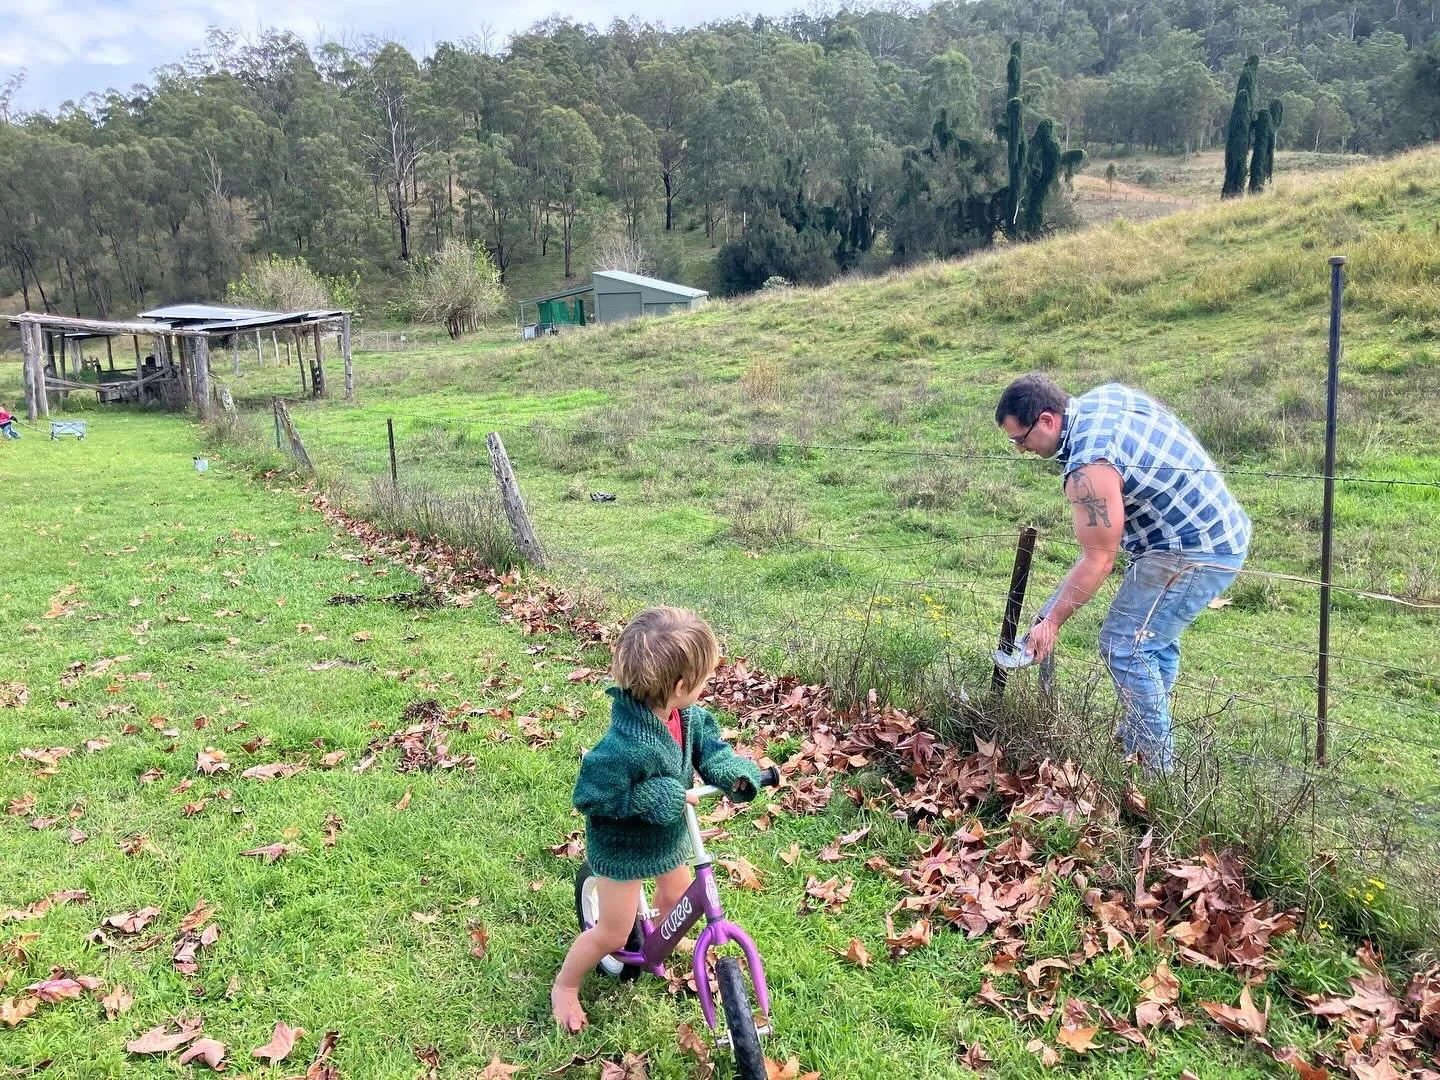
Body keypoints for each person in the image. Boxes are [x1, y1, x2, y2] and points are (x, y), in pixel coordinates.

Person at [995, 374, 1251, 775]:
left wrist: (1051, 622)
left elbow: (1099, 558)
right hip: (1214, 527)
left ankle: (1155, 773)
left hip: (1194, 548)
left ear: (1046, 420)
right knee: (1152, 641)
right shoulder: (1102, 399)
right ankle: (1140, 744)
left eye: (1020, 439)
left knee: (1126, 645)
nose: (1021, 449)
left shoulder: (1088, 470)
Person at [551, 606, 763, 1032]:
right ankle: (565, 986)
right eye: (704, 681)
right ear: (681, 685)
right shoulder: (623, 744)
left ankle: (660, 942)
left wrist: (732, 773)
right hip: (624, 846)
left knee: (678, 898)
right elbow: (591, 797)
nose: (706, 688)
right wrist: (656, 794)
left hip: (667, 836)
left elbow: (711, 750)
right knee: (612, 932)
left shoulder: (686, 717)